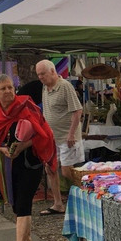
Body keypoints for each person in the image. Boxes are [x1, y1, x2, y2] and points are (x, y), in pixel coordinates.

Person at [0, 74, 57, 241]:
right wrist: (3, 149)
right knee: (16, 205)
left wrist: (23, 146)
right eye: (3, 89)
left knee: (24, 203)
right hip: (7, 165)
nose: (8, 91)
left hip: (31, 162)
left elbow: (45, 133)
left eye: (10, 87)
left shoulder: (27, 106)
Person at [36, 59, 83, 216]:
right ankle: (58, 204)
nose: (40, 77)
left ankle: (86, 197)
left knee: (67, 172)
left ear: (52, 71)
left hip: (67, 137)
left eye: (43, 74)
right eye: (38, 75)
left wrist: (71, 134)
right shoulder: (45, 87)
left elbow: (77, 111)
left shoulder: (65, 87)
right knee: (50, 169)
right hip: (51, 137)